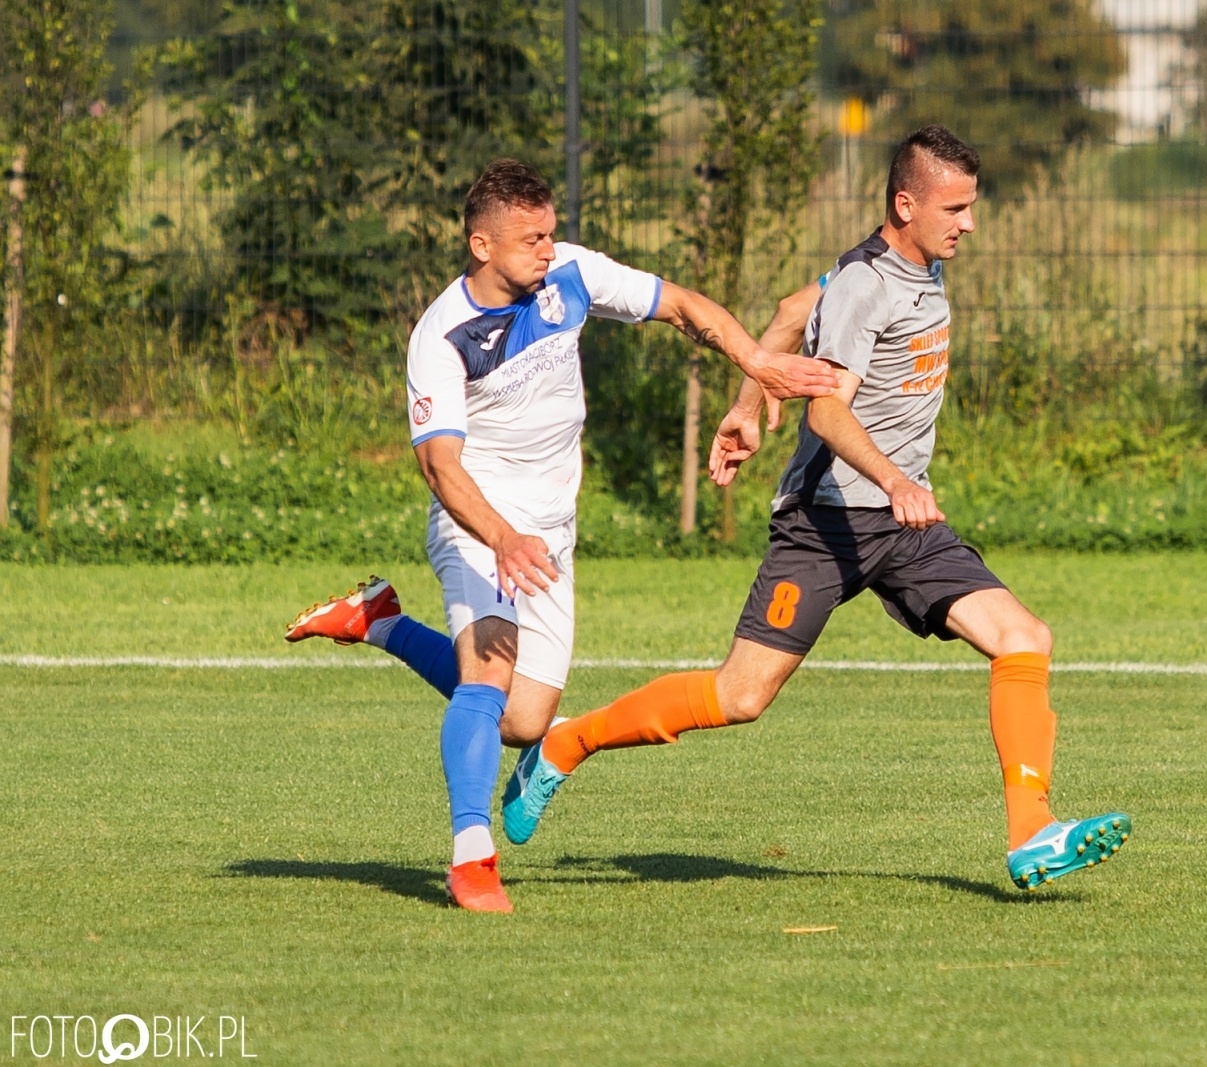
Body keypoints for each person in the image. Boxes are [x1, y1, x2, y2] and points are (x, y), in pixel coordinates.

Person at [503, 125, 1132, 892]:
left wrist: (746, 405)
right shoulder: (867, 284)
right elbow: (828, 413)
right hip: (827, 522)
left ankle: (1032, 830)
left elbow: (790, 309)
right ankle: (565, 744)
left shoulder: (907, 266)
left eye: (971, 207)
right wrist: (895, 480)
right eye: (955, 208)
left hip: (903, 525)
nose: (969, 223)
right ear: (907, 204)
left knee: (1024, 637)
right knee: (739, 696)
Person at [283, 158, 836, 913]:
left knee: (525, 720)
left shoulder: (570, 273)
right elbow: (440, 466)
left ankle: (381, 620)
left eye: (550, 233)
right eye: (531, 239)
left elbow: (678, 305)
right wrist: (502, 537)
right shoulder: (442, 336)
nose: (548, 249)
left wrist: (756, 360)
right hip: (479, 520)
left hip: (549, 532)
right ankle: (471, 857)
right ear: (481, 245)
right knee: (487, 677)